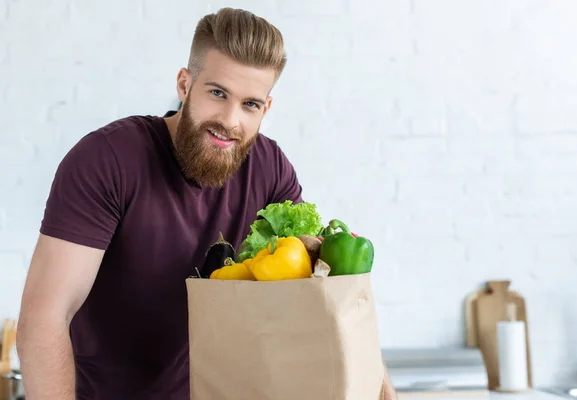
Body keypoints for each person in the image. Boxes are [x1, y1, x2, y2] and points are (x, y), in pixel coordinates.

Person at [16, 7, 398, 400]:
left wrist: (384, 390)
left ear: (266, 109)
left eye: (250, 104)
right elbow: (45, 318)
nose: (230, 120)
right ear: (185, 85)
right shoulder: (108, 159)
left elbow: (322, 297)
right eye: (218, 93)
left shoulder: (269, 168)